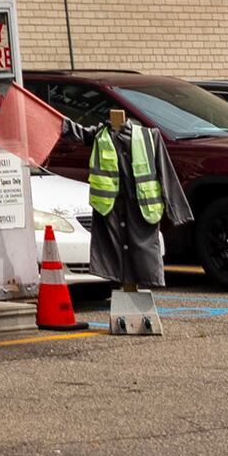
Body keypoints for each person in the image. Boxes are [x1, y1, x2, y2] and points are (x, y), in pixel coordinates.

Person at [85, 101, 190, 333]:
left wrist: (176, 210)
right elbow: (69, 131)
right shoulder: (99, 135)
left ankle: (137, 305)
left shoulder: (149, 137)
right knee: (115, 254)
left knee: (143, 254)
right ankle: (126, 302)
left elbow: (165, 171)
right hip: (111, 207)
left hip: (141, 207)